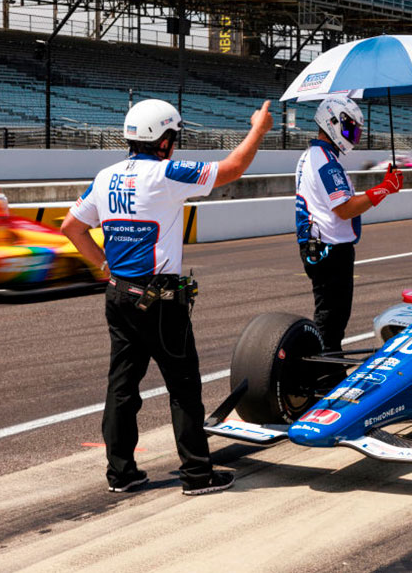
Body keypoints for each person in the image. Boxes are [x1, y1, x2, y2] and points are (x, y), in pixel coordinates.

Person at [61, 97, 272, 495]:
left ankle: (120, 474)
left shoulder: (105, 176)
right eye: (173, 136)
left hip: (118, 293)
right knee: (184, 386)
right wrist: (258, 130)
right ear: (164, 140)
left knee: (122, 387)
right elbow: (234, 169)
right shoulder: (166, 174)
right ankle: (196, 474)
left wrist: (104, 265)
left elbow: (71, 227)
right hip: (159, 299)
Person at [295, 96, 403, 358]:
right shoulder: (324, 161)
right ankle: (324, 373)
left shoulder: (315, 156)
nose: (354, 135)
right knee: (331, 318)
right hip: (329, 249)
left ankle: (326, 365)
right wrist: (384, 189)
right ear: (333, 122)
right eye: (350, 128)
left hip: (321, 246)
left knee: (333, 317)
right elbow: (345, 208)